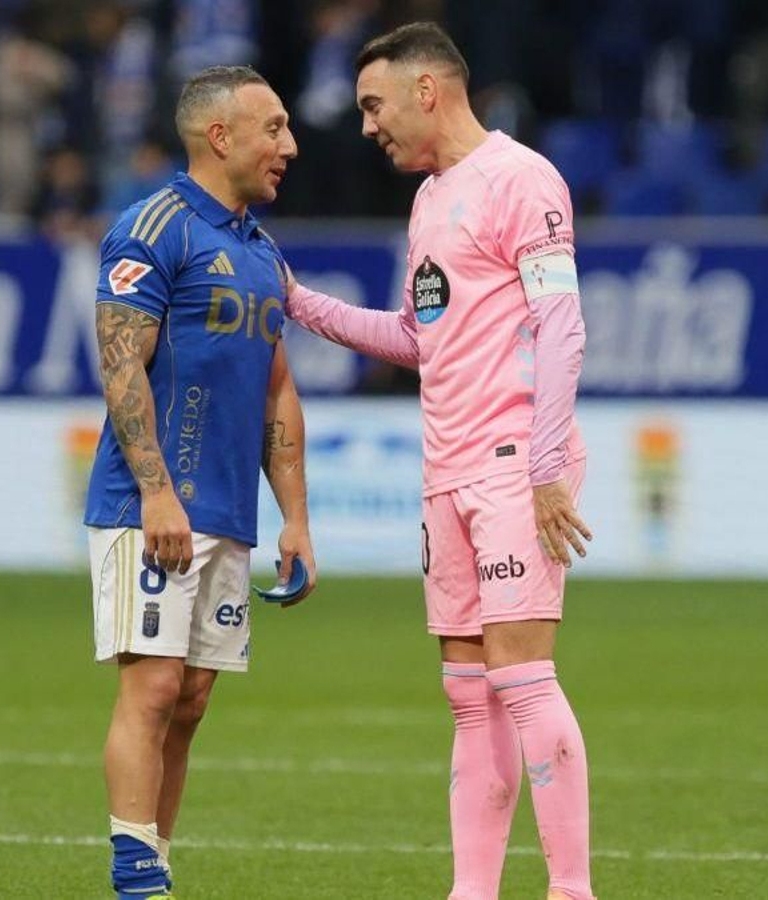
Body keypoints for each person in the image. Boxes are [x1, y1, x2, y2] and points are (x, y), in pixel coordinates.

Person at [282, 22, 594, 900]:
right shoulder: (428, 200)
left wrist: (542, 469)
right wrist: (299, 303)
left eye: (376, 105)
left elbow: (563, 325)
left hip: (510, 463)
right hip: (447, 469)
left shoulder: (521, 178)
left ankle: (572, 891)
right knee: (468, 693)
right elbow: (420, 340)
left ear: (429, 90)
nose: (369, 126)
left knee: (525, 681)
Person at [84, 64, 314, 900]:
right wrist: (154, 491)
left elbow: (277, 385)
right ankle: (136, 878)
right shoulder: (152, 228)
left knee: (191, 699)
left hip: (230, 510)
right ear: (222, 136)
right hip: (152, 506)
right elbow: (121, 368)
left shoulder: (261, 250)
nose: (289, 144)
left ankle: (158, 861)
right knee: (150, 688)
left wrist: (295, 517)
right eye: (275, 127)